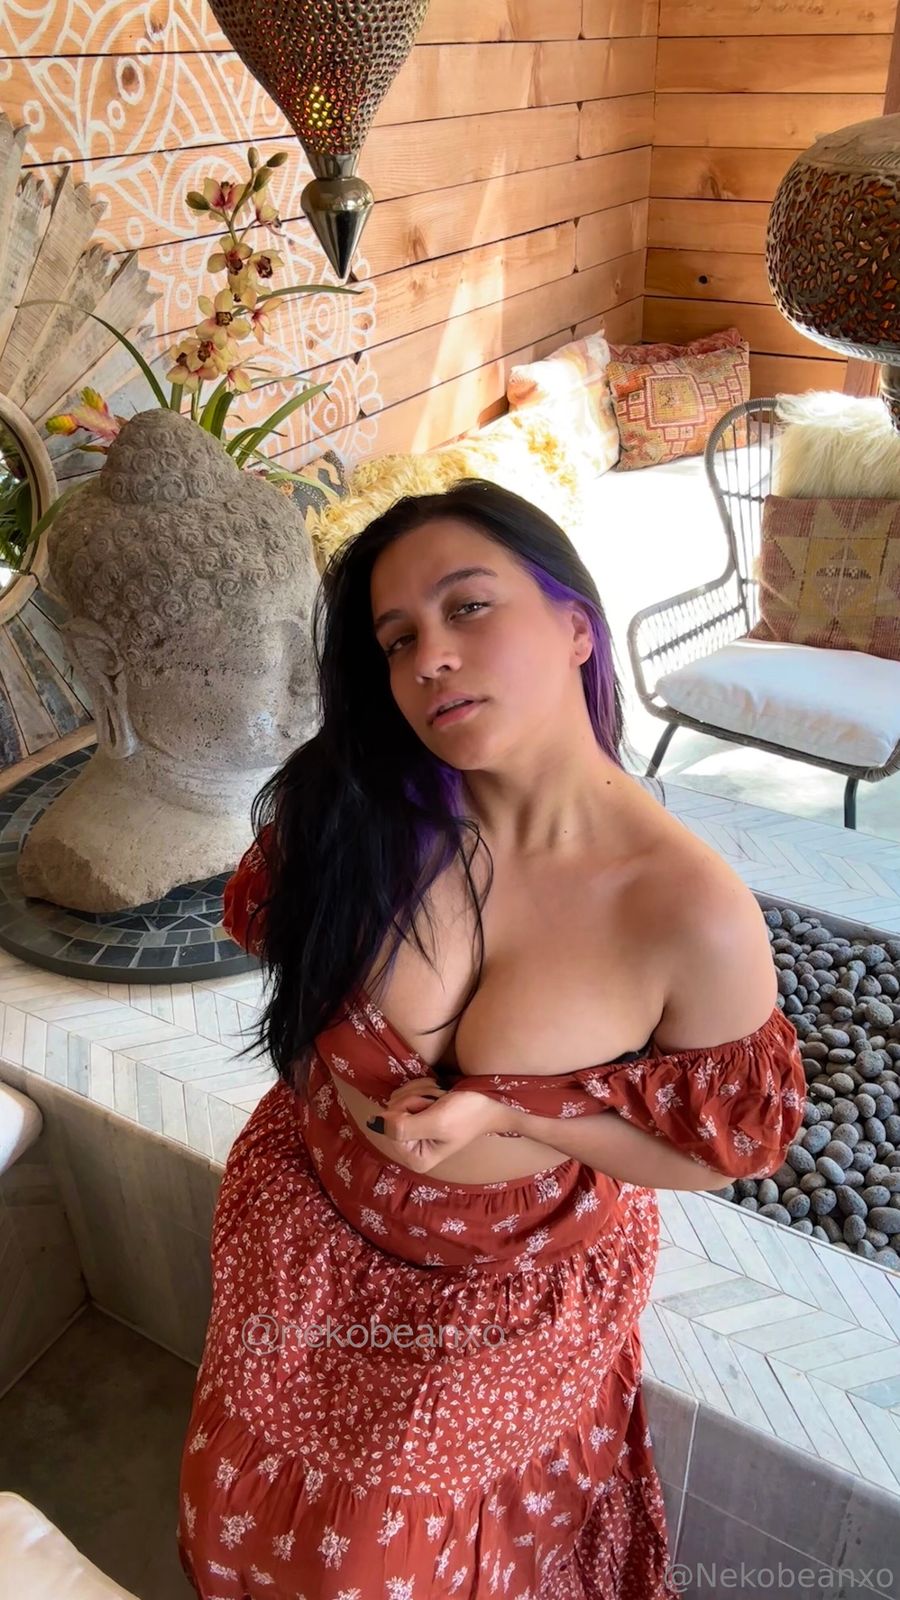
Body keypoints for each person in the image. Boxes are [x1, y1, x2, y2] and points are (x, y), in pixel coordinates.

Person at [177, 479, 806, 1599]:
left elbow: (717, 1157)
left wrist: (515, 1112)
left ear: (577, 626)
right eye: (397, 638)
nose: (430, 657)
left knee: (385, 1557)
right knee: (256, 1509)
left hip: (504, 1299)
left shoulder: (686, 912)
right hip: (305, 1228)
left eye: (469, 607)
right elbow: (284, 956)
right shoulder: (355, 807)